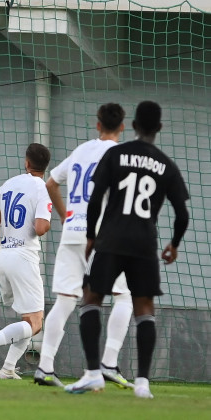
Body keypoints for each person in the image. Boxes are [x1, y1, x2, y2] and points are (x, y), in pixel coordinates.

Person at [65, 101, 189, 399]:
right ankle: (143, 383)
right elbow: (182, 213)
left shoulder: (115, 154)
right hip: (145, 244)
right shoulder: (166, 164)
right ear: (159, 128)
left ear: (132, 125)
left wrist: (92, 236)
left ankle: (94, 373)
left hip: (112, 239)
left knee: (92, 298)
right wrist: (174, 243)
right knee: (144, 308)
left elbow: (95, 200)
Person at [34, 103, 134, 388]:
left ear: (97, 124)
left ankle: (44, 367)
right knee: (124, 295)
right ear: (122, 127)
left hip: (73, 232)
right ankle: (109, 363)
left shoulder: (80, 151)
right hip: (102, 235)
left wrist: (67, 216)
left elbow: (51, 183)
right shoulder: (120, 155)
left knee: (66, 299)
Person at [0, 143, 52, 379]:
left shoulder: (7, 185)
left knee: (28, 318)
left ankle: (7, 369)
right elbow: (42, 228)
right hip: (24, 256)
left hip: (4, 255)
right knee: (36, 323)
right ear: (46, 166)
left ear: (27, 162)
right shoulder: (43, 188)